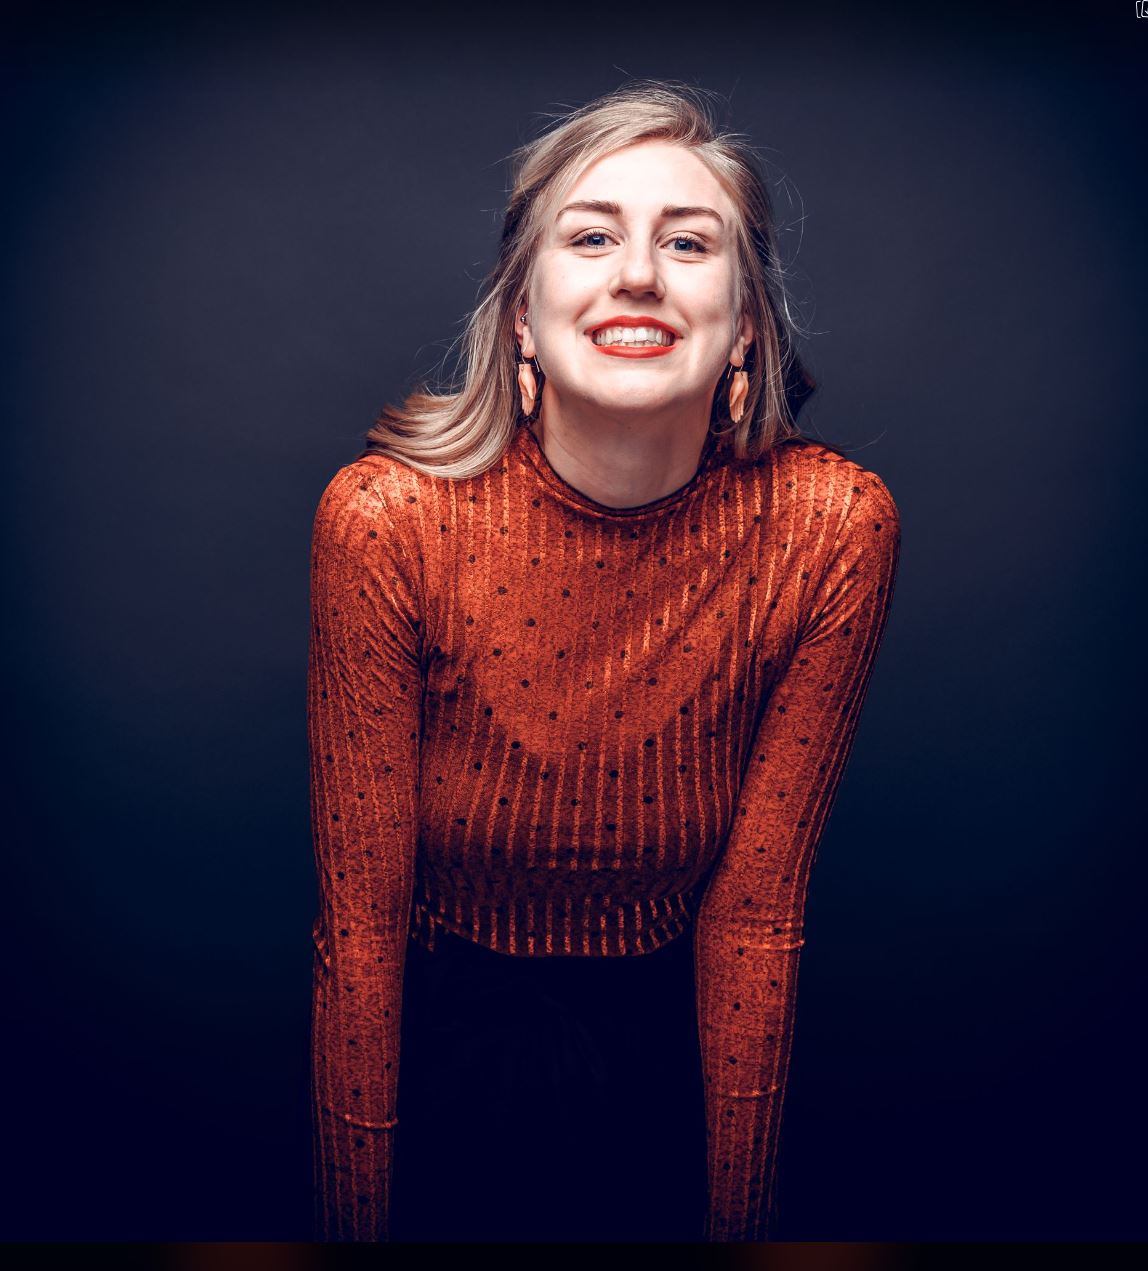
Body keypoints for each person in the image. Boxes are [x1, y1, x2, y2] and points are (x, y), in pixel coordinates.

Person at [307, 78, 901, 1243]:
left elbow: (754, 920)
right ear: (521, 318)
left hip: (680, 1051)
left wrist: (732, 1225)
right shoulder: (385, 522)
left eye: (687, 242)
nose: (638, 273)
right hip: (437, 1053)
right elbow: (358, 935)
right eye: (590, 236)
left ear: (745, 328)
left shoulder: (832, 528)